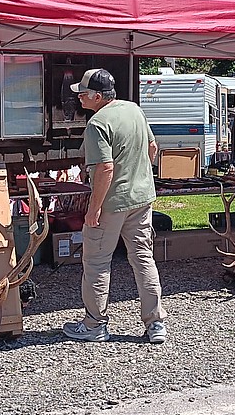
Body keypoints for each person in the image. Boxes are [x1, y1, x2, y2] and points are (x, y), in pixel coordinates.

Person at [62, 68, 167, 345]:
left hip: (112, 202)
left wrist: (93, 209)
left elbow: (105, 169)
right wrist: (140, 174)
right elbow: (153, 148)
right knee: (143, 258)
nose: (80, 98)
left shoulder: (98, 124)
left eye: (83, 94)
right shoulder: (134, 110)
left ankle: (95, 324)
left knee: (97, 262)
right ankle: (155, 323)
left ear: (97, 97)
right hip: (142, 198)